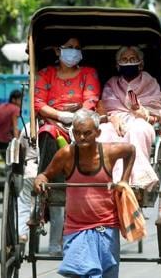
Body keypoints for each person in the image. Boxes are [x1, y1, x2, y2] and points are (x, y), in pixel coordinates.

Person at [34, 109, 135, 278]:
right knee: (82, 273)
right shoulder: (66, 154)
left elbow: (130, 150)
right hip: (76, 228)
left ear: (98, 133)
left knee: (107, 273)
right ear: (73, 133)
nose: (82, 138)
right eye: (78, 133)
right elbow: (46, 174)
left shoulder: (109, 152)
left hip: (107, 226)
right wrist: (40, 179)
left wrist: (124, 180)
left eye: (87, 133)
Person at [33, 36, 101, 254]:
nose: (73, 52)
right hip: (54, 122)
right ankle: (51, 187)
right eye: (69, 48)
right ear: (57, 51)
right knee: (47, 133)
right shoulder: (45, 74)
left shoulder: (88, 73)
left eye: (77, 48)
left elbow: (91, 98)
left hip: (83, 122)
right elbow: (38, 103)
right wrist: (60, 115)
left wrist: (78, 116)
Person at [97, 45, 160, 189]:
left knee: (138, 128)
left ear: (141, 63)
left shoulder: (150, 82)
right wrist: (112, 118)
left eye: (133, 59)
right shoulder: (112, 84)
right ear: (118, 65)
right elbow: (107, 108)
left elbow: (158, 113)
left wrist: (144, 114)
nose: (129, 62)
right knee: (104, 131)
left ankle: (139, 179)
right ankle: (105, 177)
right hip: (116, 122)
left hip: (142, 122)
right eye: (124, 59)